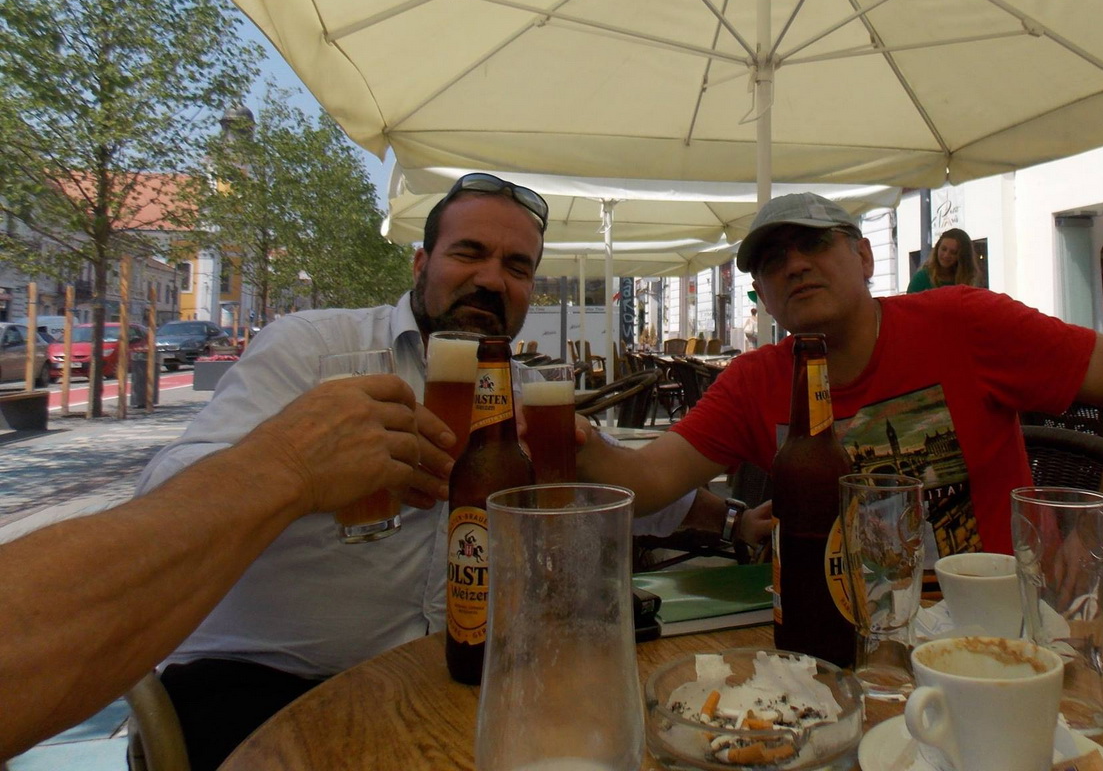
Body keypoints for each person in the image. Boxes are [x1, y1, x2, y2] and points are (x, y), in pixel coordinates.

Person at [135, 172, 707, 771]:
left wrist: (734, 521)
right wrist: (302, 467)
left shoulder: (528, 393)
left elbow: (630, 489)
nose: (492, 279)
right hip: (266, 688)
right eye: (469, 252)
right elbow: (163, 498)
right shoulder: (313, 348)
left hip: (459, 687)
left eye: (517, 266)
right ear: (420, 263)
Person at [578, 192, 1103, 561]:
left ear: (864, 257)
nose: (794, 265)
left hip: (1001, 630)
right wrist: (570, 433)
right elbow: (645, 483)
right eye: (772, 260)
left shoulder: (962, 321)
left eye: (814, 243)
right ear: (762, 294)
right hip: (833, 639)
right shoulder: (753, 381)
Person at [0, 374, 452, 761]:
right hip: (262, 699)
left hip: (427, 696)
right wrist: (289, 463)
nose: (485, 295)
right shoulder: (313, 340)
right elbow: (163, 480)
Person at [908, 227, 980, 293]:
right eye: (943, 249)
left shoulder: (968, 279)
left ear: (962, 257)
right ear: (937, 248)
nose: (946, 255)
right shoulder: (922, 278)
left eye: (953, 252)